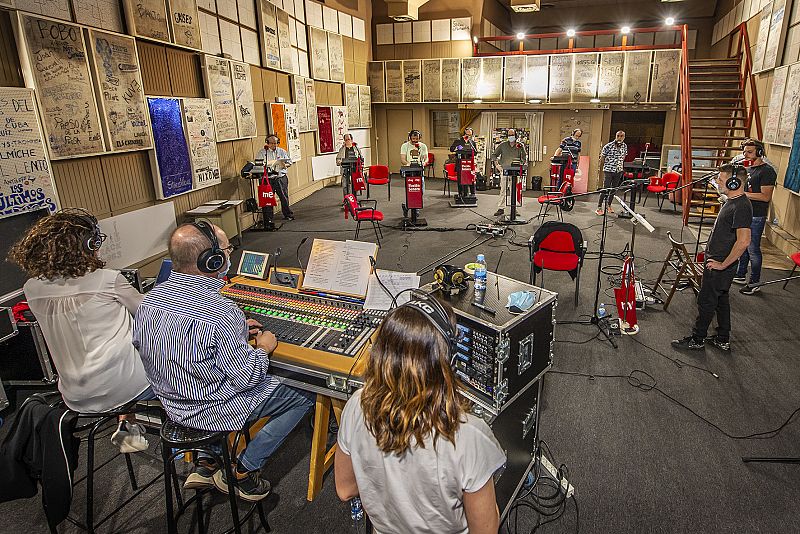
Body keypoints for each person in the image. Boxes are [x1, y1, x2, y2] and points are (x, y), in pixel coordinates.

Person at [132, 221, 314, 500]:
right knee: (304, 395)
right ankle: (244, 469)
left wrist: (237, 332)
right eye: (227, 250)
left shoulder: (150, 300)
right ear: (212, 260)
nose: (230, 255)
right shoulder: (221, 311)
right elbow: (247, 378)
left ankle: (208, 460)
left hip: (173, 407)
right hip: (213, 411)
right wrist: (263, 347)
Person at [335, 296, 505, 534]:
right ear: (448, 362)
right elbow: (486, 530)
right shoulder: (469, 435)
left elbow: (345, 489)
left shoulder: (356, 405)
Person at [8, 209, 154, 453]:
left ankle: (128, 427)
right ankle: (195, 441)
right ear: (90, 244)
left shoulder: (31, 288)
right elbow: (150, 316)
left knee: (119, 343)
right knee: (171, 355)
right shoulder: (108, 280)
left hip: (74, 395)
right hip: (123, 387)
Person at [672, 164, 752, 352]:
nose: (717, 182)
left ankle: (697, 339)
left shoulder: (741, 206)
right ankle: (722, 338)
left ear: (735, 183)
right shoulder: (733, 201)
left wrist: (723, 264)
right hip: (717, 262)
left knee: (706, 301)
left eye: (721, 180)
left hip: (720, 265)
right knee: (721, 300)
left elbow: (744, 241)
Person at [734, 138, 776, 295]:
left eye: (749, 152)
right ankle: (740, 274)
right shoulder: (749, 169)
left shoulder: (767, 171)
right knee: (743, 244)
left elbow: (765, 197)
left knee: (753, 249)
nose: (745, 154)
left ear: (759, 152)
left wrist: (743, 193)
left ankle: (754, 282)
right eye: (744, 151)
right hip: (746, 212)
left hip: (757, 216)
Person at [256, 134, 294, 220]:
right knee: (268, 198)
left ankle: (288, 214)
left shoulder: (282, 151)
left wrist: (285, 165)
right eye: (271, 143)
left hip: (281, 177)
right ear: (267, 143)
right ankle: (268, 218)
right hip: (268, 178)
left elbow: (290, 162)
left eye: (276, 143)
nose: (274, 145)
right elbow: (258, 164)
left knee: (284, 197)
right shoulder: (262, 152)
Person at [492, 128, 528, 217]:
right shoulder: (503, 145)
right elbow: (494, 155)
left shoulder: (520, 146)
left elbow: (524, 157)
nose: (510, 137)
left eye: (512, 135)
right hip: (504, 170)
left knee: (514, 190)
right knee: (503, 189)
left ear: (515, 136)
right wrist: (497, 165)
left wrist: (521, 165)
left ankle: (513, 207)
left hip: (516, 172)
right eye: (509, 135)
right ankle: (501, 208)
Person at [596, 130, 628, 215]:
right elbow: (602, 158)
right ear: (615, 136)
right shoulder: (608, 146)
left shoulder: (624, 146)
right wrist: (607, 165)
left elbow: (623, 157)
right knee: (605, 188)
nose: (619, 137)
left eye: (621, 136)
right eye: (618, 135)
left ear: (624, 137)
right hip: (608, 170)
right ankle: (599, 207)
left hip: (618, 170)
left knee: (614, 189)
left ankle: (609, 205)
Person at [336, 133, 363, 198]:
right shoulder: (342, 149)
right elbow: (337, 159)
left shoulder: (356, 148)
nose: (347, 141)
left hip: (354, 168)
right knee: (345, 185)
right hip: (345, 168)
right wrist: (339, 161)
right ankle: (346, 199)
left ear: (352, 139)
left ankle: (354, 198)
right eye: (346, 140)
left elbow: (361, 158)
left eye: (348, 139)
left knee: (355, 184)